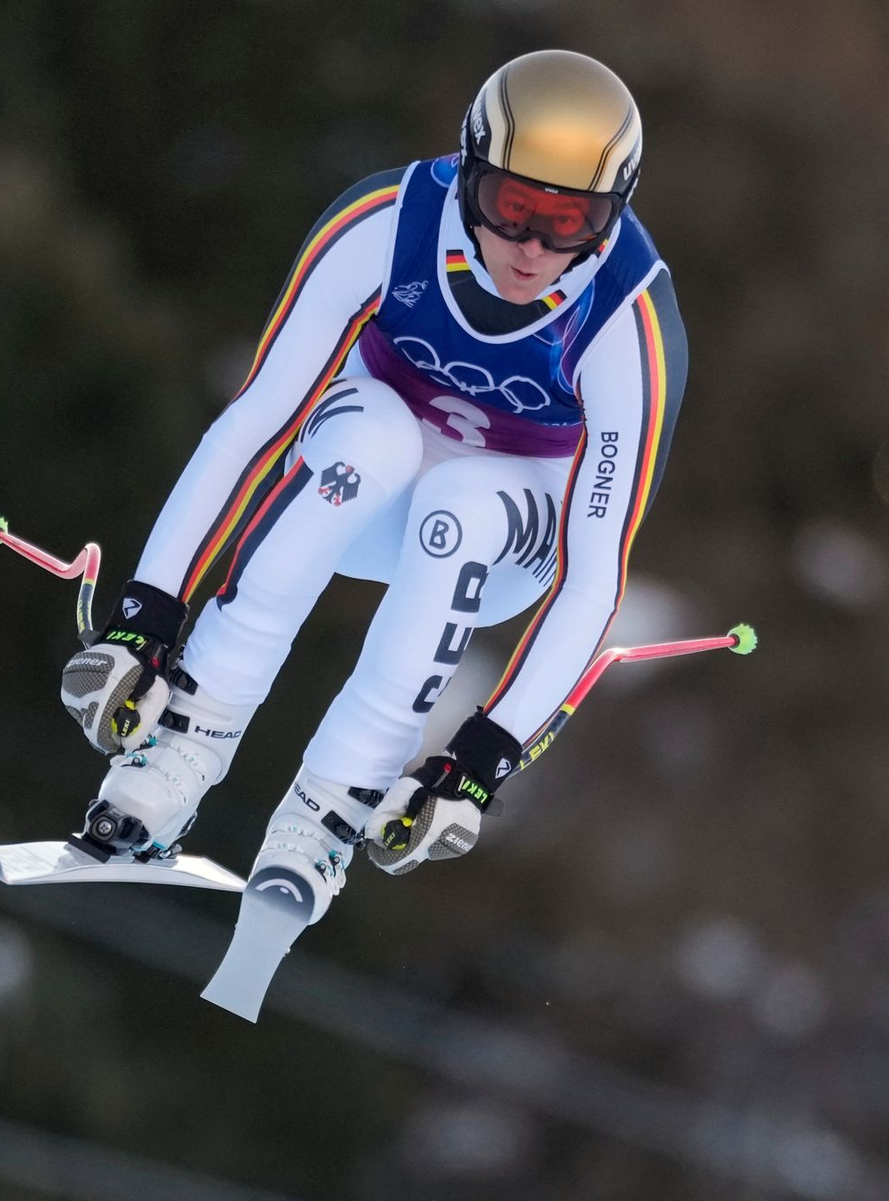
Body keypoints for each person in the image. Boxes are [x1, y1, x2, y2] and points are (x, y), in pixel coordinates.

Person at [59, 48, 687, 930]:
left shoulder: (628, 321)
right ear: (471, 169)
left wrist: (481, 758)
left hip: (501, 530)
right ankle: (180, 742)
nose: (534, 249)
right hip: (357, 477)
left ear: (613, 214)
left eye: (571, 221)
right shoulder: (387, 222)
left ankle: (328, 812)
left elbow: (594, 576)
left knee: (462, 504)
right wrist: (147, 612)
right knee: (374, 438)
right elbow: (257, 422)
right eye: (513, 209)